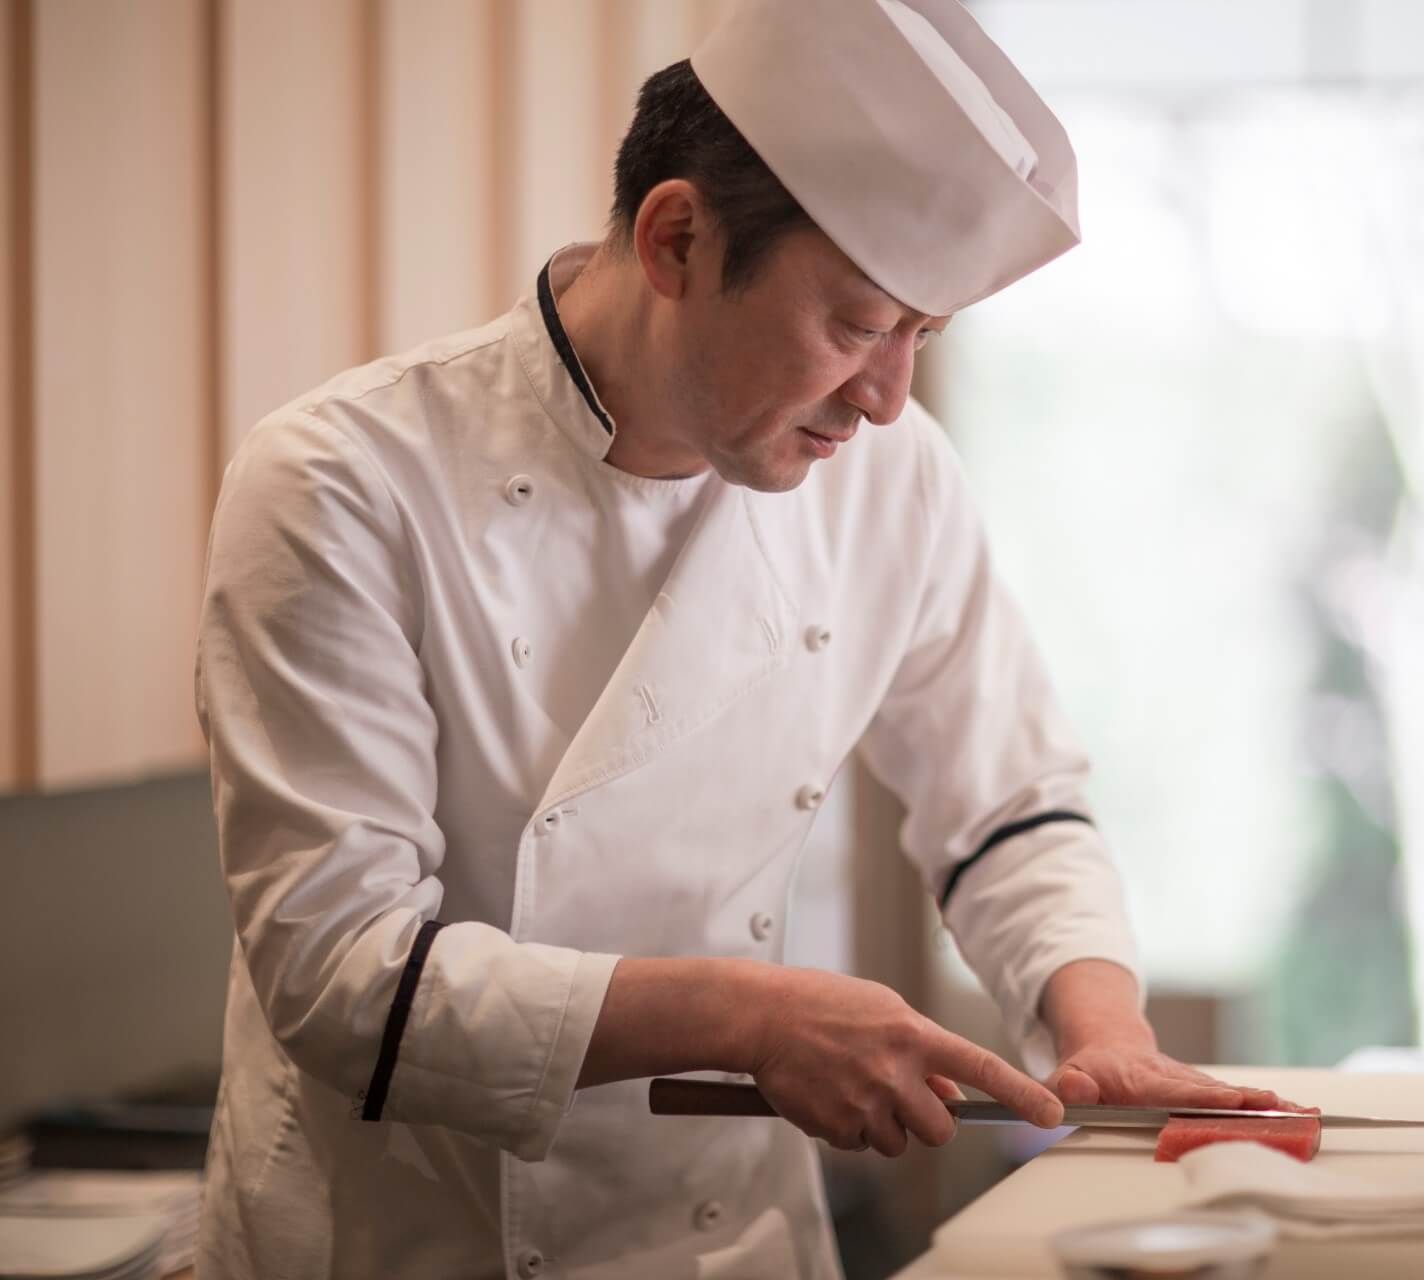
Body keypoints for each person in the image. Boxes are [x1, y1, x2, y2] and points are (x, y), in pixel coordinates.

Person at [193, 0, 1281, 1275]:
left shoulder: (896, 479)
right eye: (862, 325)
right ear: (676, 238)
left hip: (730, 1239)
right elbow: (344, 978)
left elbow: (1008, 810)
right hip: (413, 1239)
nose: (887, 402)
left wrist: (1104, 1026)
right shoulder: (344, 482)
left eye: (924, 338)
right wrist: (757, 1017)